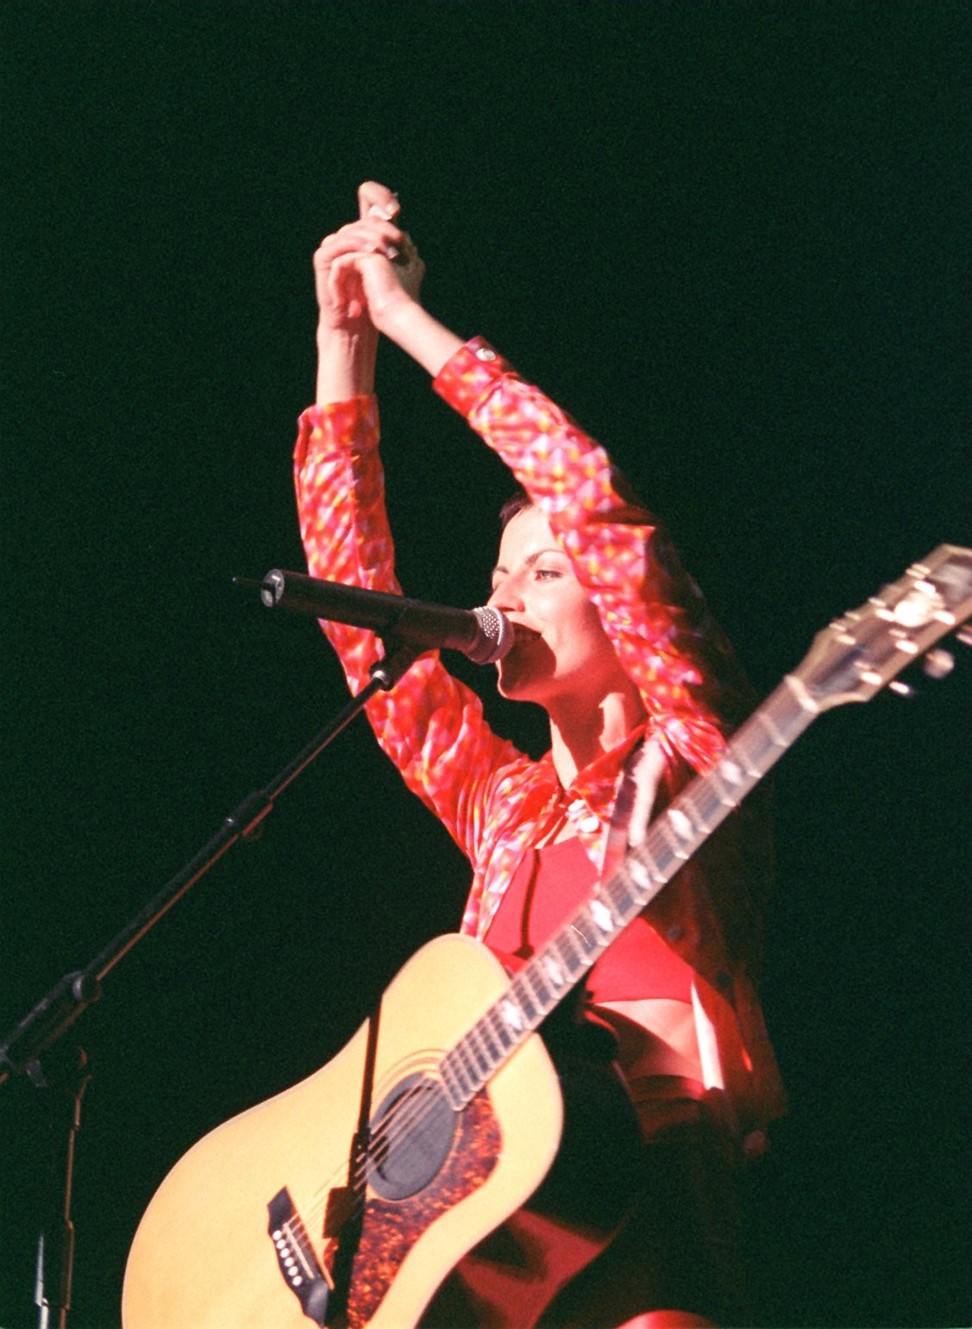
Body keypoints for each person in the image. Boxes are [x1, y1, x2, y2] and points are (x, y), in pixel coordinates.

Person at [293, 181, 786, 1329]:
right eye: (502, 572)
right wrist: (342, 348)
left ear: (625, 614)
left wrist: (414, 328)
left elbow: (594, 505)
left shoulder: (699, 757)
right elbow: (358, 607)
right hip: (483, 1226)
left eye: (546, 574)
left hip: (646, 1200)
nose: (504, 594)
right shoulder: (501, 802)